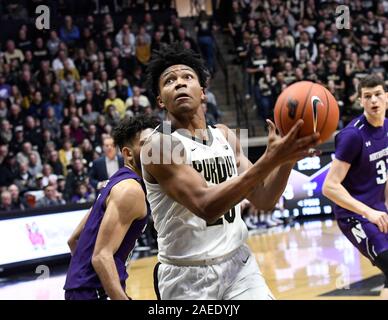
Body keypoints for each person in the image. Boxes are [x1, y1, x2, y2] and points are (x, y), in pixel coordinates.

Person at [141, 43, 320, 300]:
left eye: (187, 77)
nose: (179, 83)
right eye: (169, 81)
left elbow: (264, 199)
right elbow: (206, 206)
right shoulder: (157, 146)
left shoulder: (225, 135)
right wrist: (268, 162)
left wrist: (287, 161)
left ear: (203, 92)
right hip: (186, 277)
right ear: (160, 100)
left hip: (239, 265)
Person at [64, 115, 158, 300]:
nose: (155, 149)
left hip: (85, 289)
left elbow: (74, 239)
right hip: (96, 292)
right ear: (128, 154)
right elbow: (101, 256)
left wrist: (84, 277)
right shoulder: (130, 190)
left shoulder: (116, 181)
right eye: (147, 144)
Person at [323, 74, 388, 300]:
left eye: (378, 94)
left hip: (380, 211)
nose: (373, 100)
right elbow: (329, 187)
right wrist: (368, 212)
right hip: (355, 217)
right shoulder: (353, 135)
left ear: (387, 97)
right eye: (367, 96)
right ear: (360, 101)